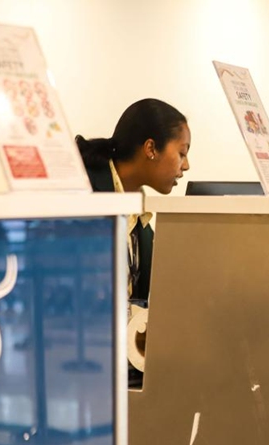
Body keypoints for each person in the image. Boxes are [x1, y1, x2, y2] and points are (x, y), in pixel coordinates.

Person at [76, 98, 191, 386]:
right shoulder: (84, 195)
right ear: (151, 148)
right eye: (182, 153)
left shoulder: (139, 217)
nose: (186, 166)